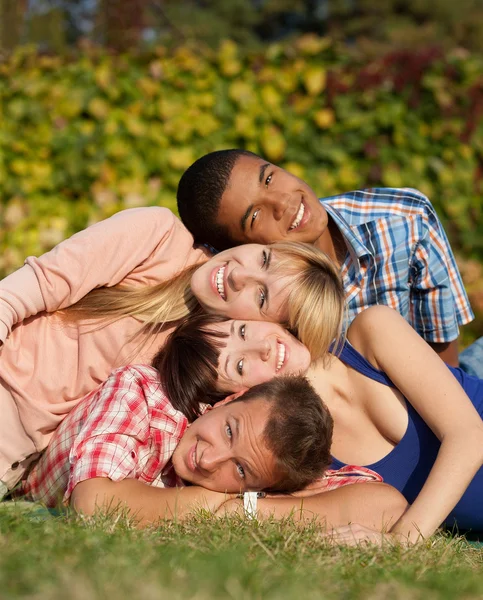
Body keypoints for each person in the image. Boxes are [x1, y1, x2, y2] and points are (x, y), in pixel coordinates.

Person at [0, 206, 344, 498]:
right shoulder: (160, 237)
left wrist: (293, 355)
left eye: (262, 298)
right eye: (265, 258)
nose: (240, 274)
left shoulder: (209, 373)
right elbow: (24, 291)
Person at [159, 308, 483, 543]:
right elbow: (378, 507)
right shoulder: (300, 457)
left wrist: (404, 540)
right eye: (241, 366)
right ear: (239, 395)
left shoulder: (370, 334)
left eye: (243, 331)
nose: (263, 348)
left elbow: (469, 436)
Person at [177, 149, 476, 371]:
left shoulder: (405, 220)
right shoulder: (244, 312)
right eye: (255, 217)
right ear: (236, 250)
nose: (282, 202)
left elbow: (446, 359)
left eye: (269, 178)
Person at [15, 368, 407, 532]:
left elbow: (386, 505)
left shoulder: (265, 482)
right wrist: (208, 506)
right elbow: (94, 504)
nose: (209, 458)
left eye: (240, 471)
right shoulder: (145, 393)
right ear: (227, 400)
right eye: (228, 430)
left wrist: (247, 511)